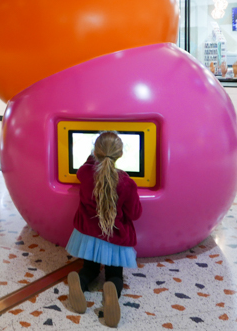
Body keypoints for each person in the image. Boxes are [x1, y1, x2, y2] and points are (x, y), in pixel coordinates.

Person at [66, 131, 142, 328]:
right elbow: (135, 213)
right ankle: (111, 293)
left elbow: (86, 166)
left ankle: (81, 282)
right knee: (115, 275)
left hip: (87, 236)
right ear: (120, 155)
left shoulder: (85, 174)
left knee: (89, 268)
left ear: (95, 152)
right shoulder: (126, 182)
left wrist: (96, 155)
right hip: (114, 239)